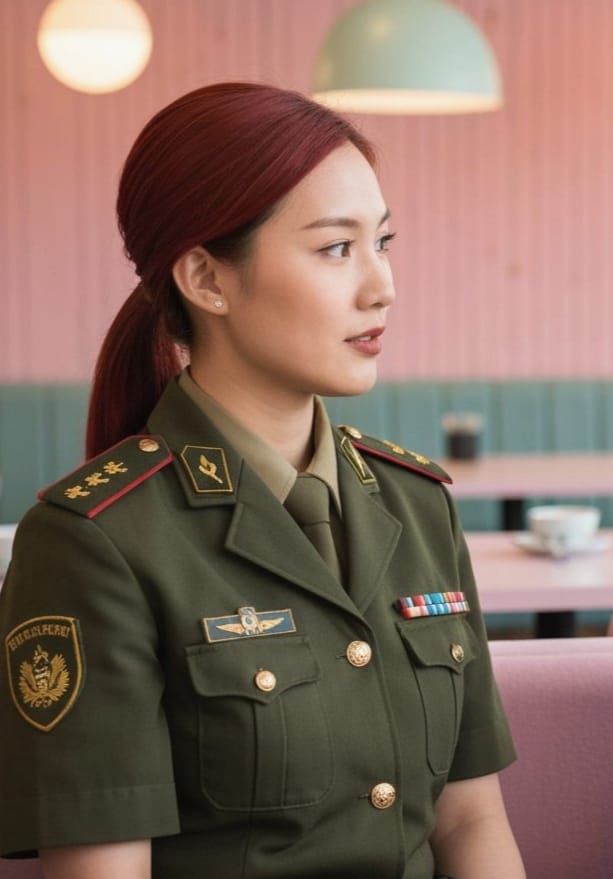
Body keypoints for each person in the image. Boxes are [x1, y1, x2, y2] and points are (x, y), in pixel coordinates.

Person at [0, 82, 525, 879]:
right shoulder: (92, 544)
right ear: (206, 279)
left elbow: (471, 821)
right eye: (335, 248)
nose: (381, 285)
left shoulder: (417, 505)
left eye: (383, 241)